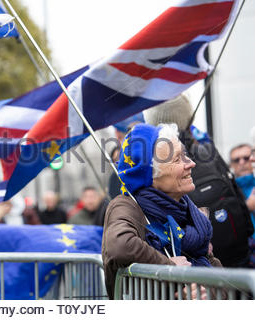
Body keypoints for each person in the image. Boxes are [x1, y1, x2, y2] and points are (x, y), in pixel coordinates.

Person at [102, 123, 222, 299]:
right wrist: (168, 268)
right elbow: (120, 245)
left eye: (185, 155)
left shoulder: (190, 211)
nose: (191, 164)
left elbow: (219, 273)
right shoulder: (126, 206)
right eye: (177, 159)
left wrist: (211, 293)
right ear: (150, 174)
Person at [144, 94, 253, 268]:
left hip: (197, 268)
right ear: (188, 118)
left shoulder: (154, 163)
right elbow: (237, 197)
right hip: (239, 257)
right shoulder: (208, 151)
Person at [230, 143, 255, 267]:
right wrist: (247, 207)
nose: (242, 162)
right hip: (244, 255)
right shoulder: (227, 190)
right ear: (231, 165)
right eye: (236, 159)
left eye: (246, 158)